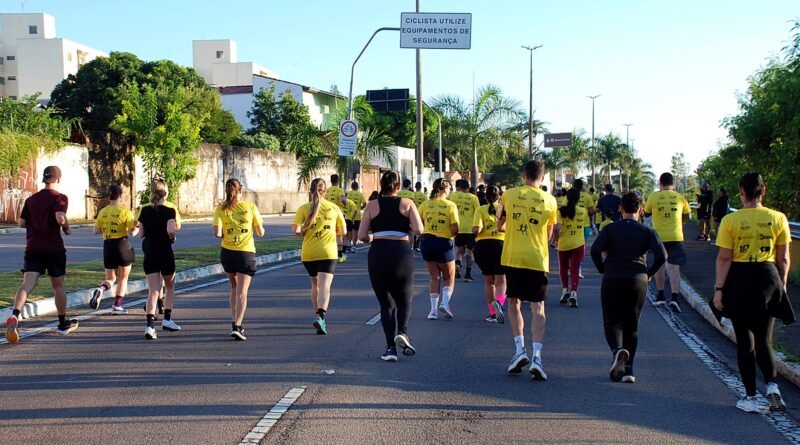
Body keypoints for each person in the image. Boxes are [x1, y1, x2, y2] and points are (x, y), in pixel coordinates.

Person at [713, 172, 793, 413]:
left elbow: (725, 257)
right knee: (764, 339)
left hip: (740, 279)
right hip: (768, 277)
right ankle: (772, 386)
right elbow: (785, 258)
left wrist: (719, 289)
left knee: (744, 342)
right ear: (764, 191)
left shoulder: (730, 221)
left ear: (742, 192)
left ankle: (750, 397)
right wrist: (782, 285)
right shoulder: (778, 218)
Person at [591, 192, 667, 383]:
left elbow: (594, 250)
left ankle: (617, 351)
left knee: (612, 321)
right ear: (640, 210)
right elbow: (662, 256)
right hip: (637, 279)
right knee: (631, 326)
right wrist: (649, 273)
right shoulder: (647, 231)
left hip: (613, 276)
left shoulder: (610, 229)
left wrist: (602, 268)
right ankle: (629, 370)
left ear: (621, 209)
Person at [497, 159, 557, 380]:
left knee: (514, 302)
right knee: (538, 307)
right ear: (542, 178)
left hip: (513, 256)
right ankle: (537, 358)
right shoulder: (550, 201)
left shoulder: (509, 195)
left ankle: (519, 349)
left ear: (524, 175)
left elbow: (500, 222)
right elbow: (549, 234)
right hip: (538, 259)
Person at [5, 166, 77, 344]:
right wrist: (67, 228)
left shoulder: (31, 199)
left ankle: (15, 315)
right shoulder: (60, 198)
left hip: (33, 248)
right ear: (58, 179)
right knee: (58, 286)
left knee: (27, 284)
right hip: (54, 249)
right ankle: (62, 324)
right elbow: (60, 218)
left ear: (44, 179)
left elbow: (22, 223)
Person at [359, 171, 424, 362]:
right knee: (405, 299)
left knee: (386, 304)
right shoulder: (407, 203)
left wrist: (374, 235)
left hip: (378, 253)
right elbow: (419, 229)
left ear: (381, 185)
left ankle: (390, 349)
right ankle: (402, 331)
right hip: (401, 252)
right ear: (398, 187)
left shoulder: (372, 205)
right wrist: (406, 227)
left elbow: (362, 236)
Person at [292, 178, 346, 335]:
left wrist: (307, 232)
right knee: (324, 286)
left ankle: (317, 315)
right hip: (327, 252)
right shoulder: (334, 208)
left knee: (314, 285)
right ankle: (321, 316)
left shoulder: (303, 208)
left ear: (310, 191)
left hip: (308, 252)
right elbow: (342, 231)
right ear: (326, 192)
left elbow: (295, 230)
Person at [213, 179, 265, 340]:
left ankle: (234, 320)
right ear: (241, 190)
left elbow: (217, 233)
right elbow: (260, 232)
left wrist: (228, 233)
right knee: (242, 291)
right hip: (245, 252)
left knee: (234, 287)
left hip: (227, 252)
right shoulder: (250, 207)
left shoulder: (221, 209)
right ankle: (238, 325)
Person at [137, 179, 181, 340]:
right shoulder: (169, 211)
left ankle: (149, 326)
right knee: (169, 287)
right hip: (165, 252)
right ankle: (167, 319)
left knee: (153, 291)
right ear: (166, 193)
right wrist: (172, 237)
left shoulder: (145, 211)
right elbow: (171, 229)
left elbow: (141, 234)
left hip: (150, 253)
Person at [643, 172, 691, 313]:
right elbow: (687, 217)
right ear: (673, 183)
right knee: (674, 266)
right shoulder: (680, 197)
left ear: (660, 183)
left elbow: (646, 213)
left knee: (659, 265)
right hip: (676, 235)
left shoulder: (654, 196)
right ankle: (675, 298)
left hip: (658, 237)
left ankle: (661, 294)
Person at [90, 184, 138, 315]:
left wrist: (107, 229)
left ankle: (101, 289)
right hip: (122, 244)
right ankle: (117, 305)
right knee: (123, 277)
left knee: (110, 278)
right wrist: (137, 226)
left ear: (108, 196)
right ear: (121, 196)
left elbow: (95, 230)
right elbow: (132, 232)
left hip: (108, 245)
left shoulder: (103, 212)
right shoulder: (125, 212)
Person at [418, 178, 459, 320]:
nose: (450, 191)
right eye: (449, 189)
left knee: (434, 277)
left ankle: (433, 311)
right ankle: (445, 303)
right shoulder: (450, 205)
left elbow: (418, 224)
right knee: (449, 277)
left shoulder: (425, 204)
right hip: (443, 243)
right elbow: (454, 228)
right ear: (444, 189)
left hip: (427, 243)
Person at [472, 185, 507, 323]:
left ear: (485, 196)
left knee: (488, 282)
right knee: (502, 280)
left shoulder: (480, 210)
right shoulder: (505, 209)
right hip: (500, 245)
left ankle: (492, 313)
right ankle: (499, 303)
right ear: (500, 196)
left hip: (483, 246)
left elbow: (476, 229)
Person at [553, 188, 588, 308]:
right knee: (575, 269)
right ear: (578, 199)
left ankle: (564, 291)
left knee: (563, 268)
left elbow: (557, 228)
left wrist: (555, 239)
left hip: (564, 244)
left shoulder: (561, 211)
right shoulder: (583, 211)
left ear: (566, 198)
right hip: (578, 243)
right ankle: (574, 293)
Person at [450, 179, 480, 282]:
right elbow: (478, 212)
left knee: (459, 250)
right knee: (470, 252)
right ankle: (468, 274)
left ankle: (457, 264)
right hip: (471, 229)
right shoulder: (473, 198)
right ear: (468, 187)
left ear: (459, 187)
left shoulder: (453, 197)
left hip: (458, 227)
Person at [324, 174, 347, 263]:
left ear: (331, 181)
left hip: (327, 213)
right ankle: (340, 256)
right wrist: (345, 205)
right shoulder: (340, 190)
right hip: (337, 214)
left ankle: (328, 254)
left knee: (329, 233)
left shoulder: (327, 190)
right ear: (338, 181)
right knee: (339, 234)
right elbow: (342, 199)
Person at [347, 182, 366, 250]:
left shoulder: (348, 194)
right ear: (357, 187)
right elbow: (364, 204)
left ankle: (348, 244)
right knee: (356, 231)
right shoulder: (360, 194)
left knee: (349, 230)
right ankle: (354, 246)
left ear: (351, 187)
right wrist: (360, 208)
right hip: (357, 215)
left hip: (349, 215)